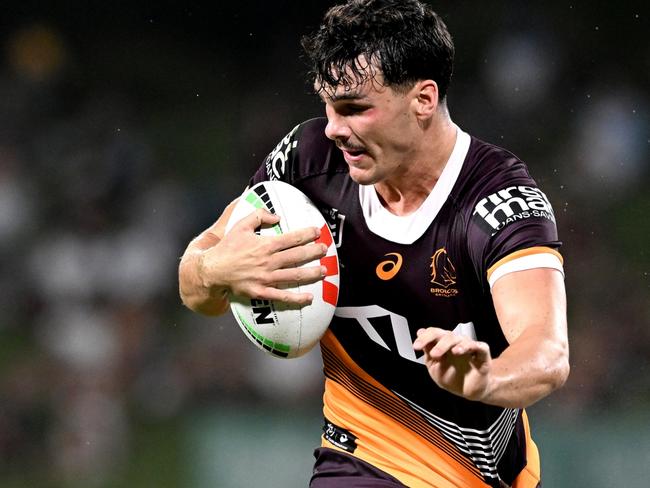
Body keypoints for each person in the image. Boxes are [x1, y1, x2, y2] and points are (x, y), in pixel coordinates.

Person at [178, 0, 570, 486]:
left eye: (355, 109)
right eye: (327, 105)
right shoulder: (307, 164)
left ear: (423, 100)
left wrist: (486, 380)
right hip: (361, 457)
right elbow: (195, 282)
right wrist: (216, 271)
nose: (334, 129)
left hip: (484, 474)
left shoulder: (497, 202)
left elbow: (547, 353)